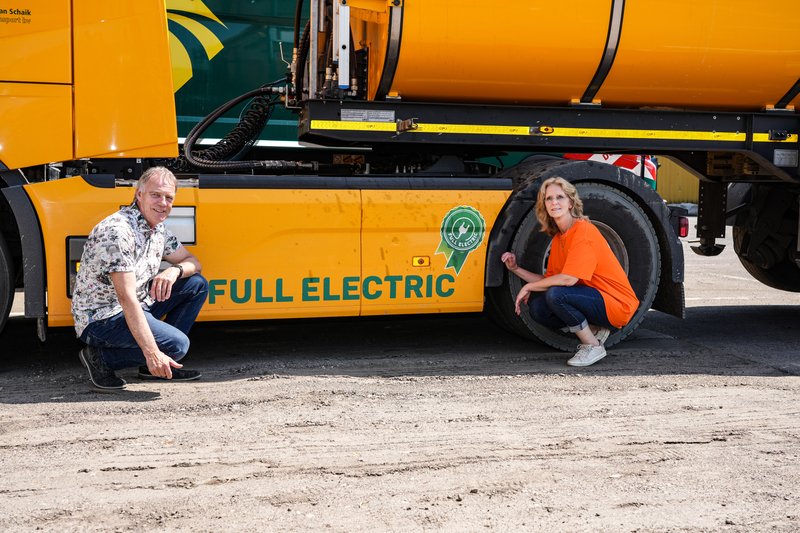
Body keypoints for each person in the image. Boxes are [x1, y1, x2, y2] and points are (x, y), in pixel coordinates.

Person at [71, 167, 209, 389]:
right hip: (101, 317)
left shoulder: (158, 229)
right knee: (177, 345)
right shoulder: (118, 231)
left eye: (169, 197)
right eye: (156, 195)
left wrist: (174, 270)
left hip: (137, 304)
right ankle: (101, 359)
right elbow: (126, 298)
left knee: (195, 285)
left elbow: (193, 262)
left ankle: (154, 368)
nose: (163, 203)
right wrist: (153, 351)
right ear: (139, 195)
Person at [501, 177, 639, 367]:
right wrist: (516, 269)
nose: (554, 202)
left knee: (556, 294)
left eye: (560, 197)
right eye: (548, 198)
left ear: (571, 202)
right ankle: (594, 329)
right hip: (592, 299)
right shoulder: (559, 238)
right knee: (538, 309)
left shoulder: (583, 231)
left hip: (615, 303)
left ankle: (593, 345)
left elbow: (568, 280)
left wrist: (530, 287)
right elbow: (550, 279)